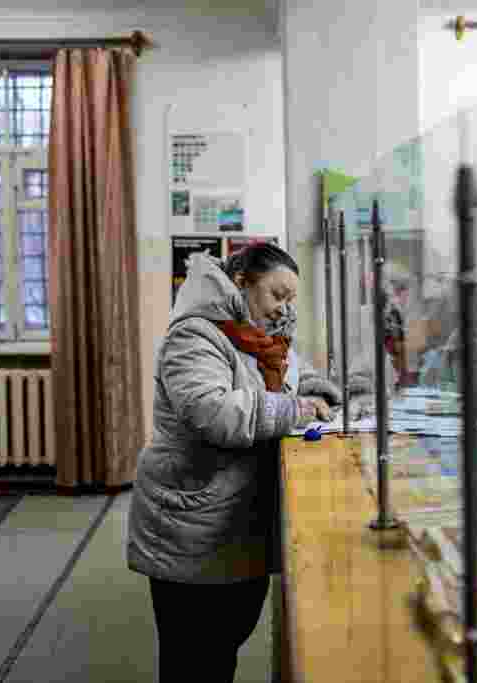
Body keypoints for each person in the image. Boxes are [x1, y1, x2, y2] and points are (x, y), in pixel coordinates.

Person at [126, 243, 332, 683]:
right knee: (196, 663)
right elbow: (215, 414)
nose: (284, 309)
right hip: (193, 528)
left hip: (235, 526)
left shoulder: (256, 334)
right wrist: (297, 409)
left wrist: (327, 391)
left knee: (223, 650)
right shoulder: (195, 336)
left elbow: (293, 372)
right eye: (278, 295)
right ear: (240, 282)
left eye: (290, 300)